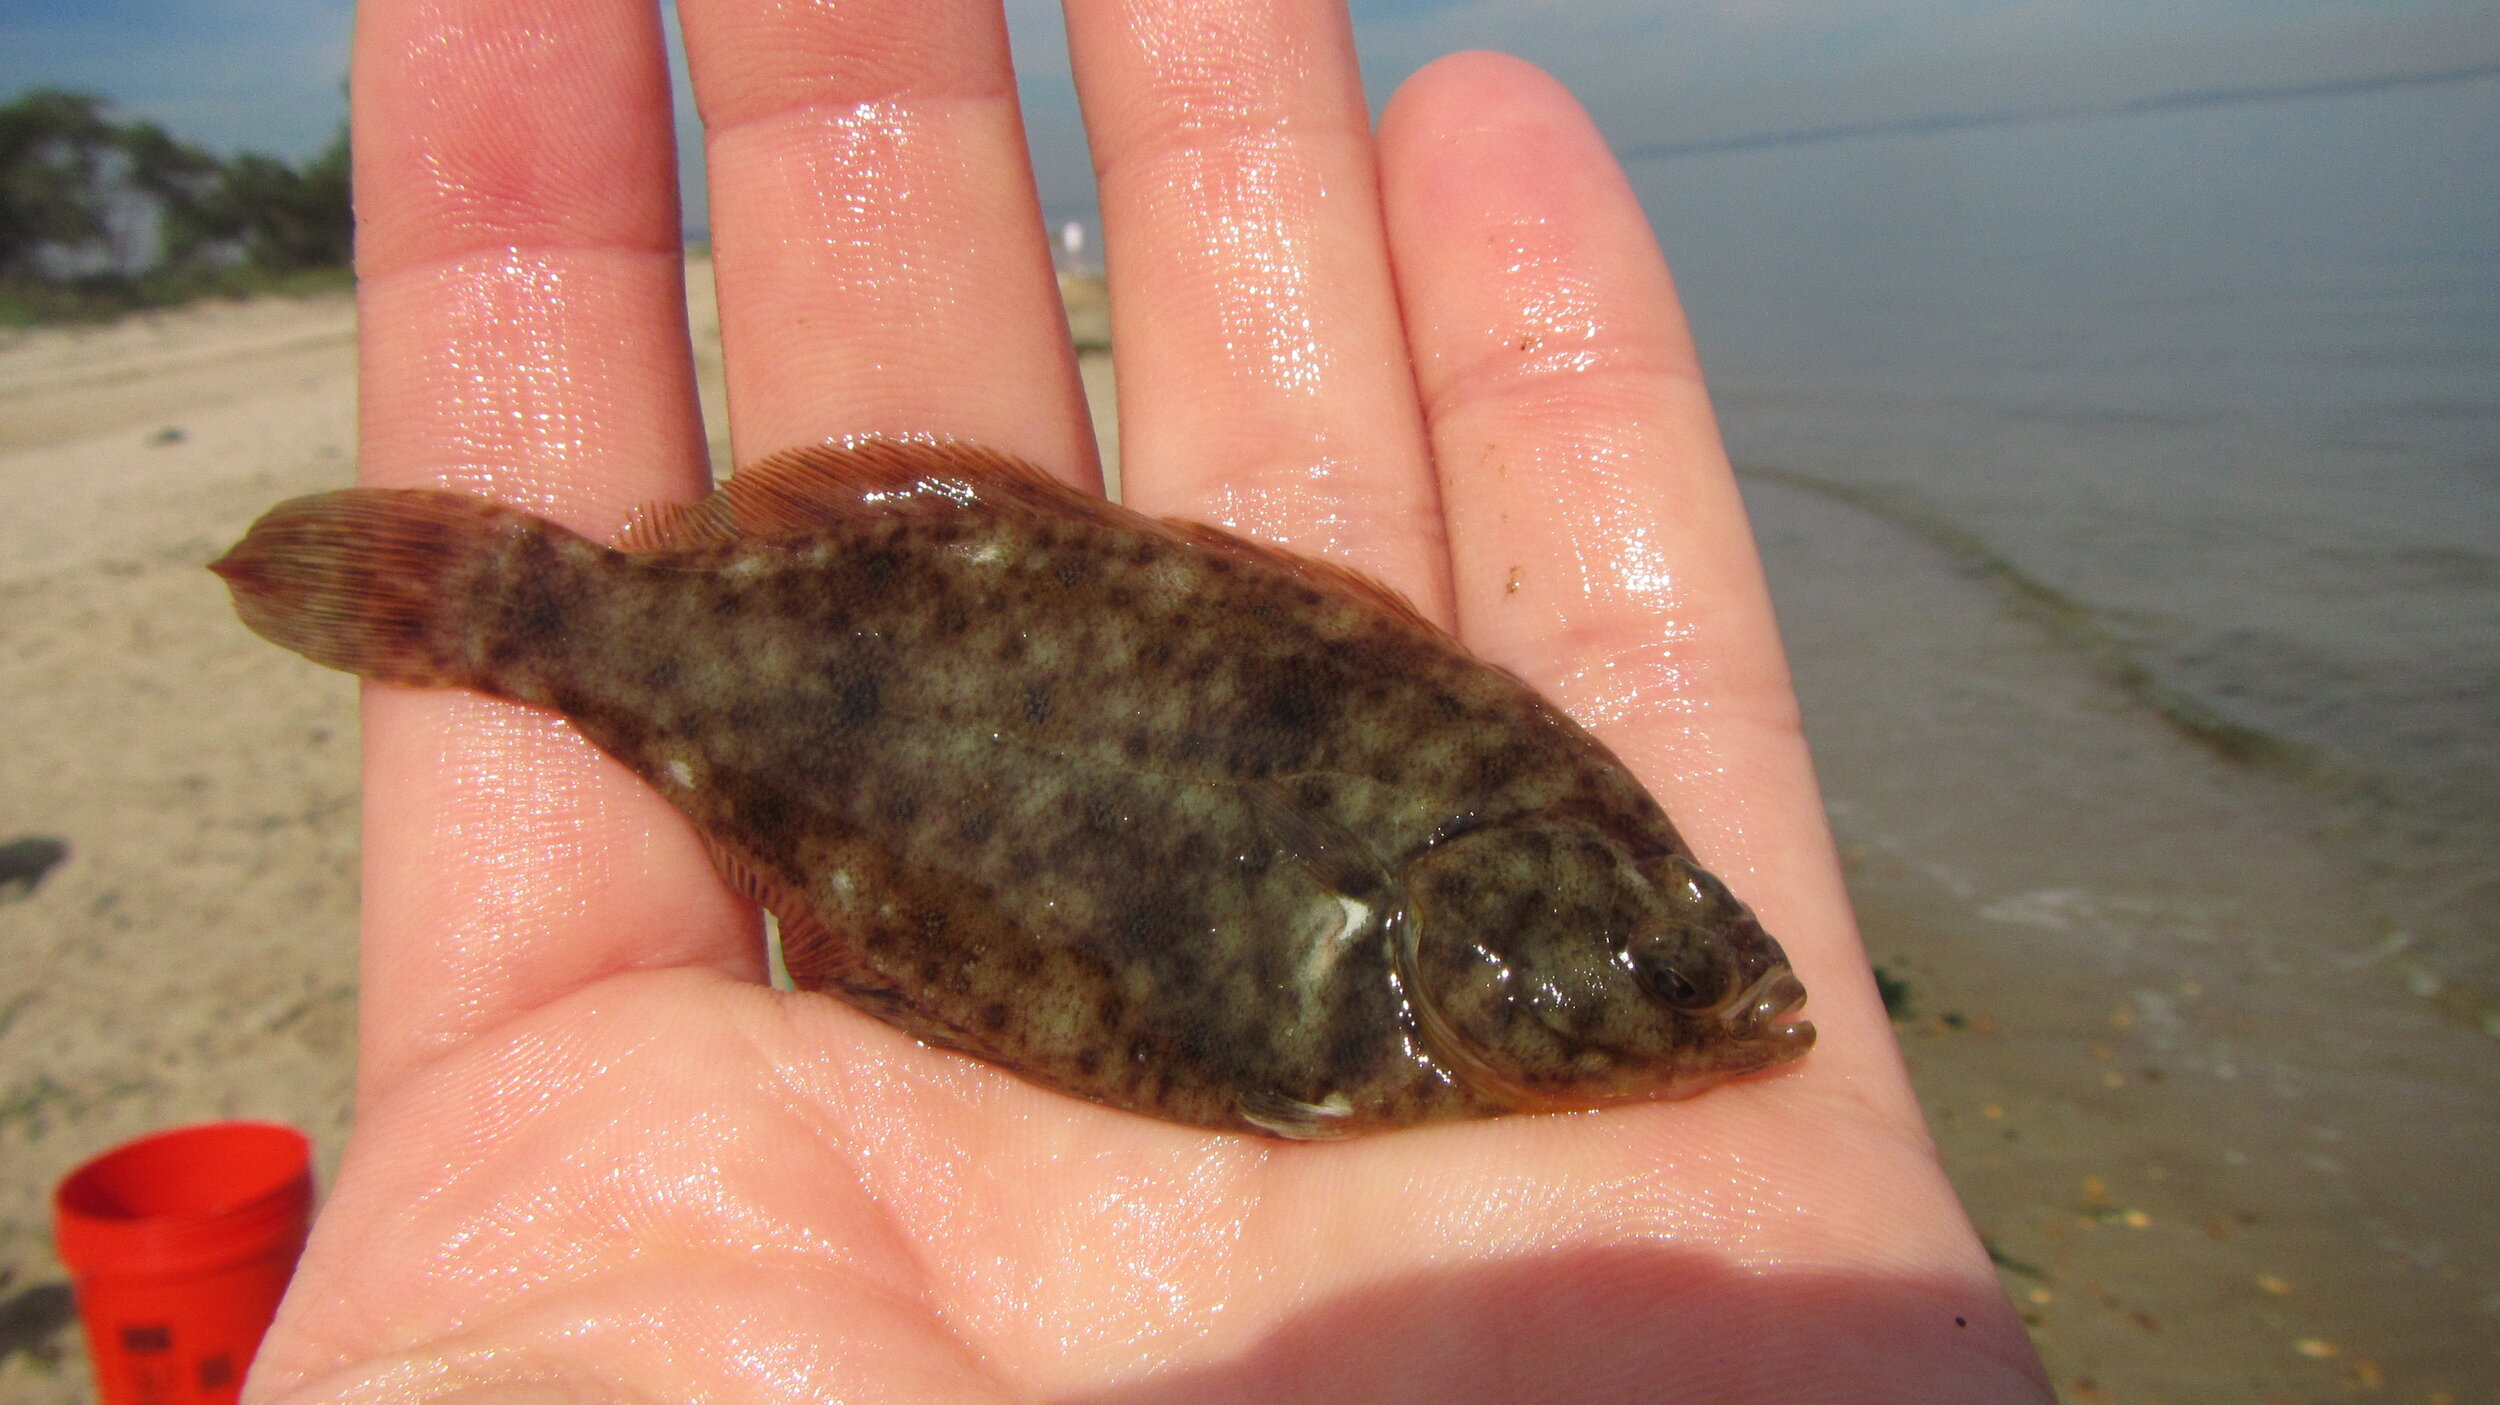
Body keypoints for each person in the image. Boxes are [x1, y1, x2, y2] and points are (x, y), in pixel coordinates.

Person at [242, 1, 2051, 1400]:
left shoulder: (1428, 972)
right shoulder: (1408, 987)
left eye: (1673, 956)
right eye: (1669, 958)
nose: (1716, 985)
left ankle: (537, 621)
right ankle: (517, 614)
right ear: (1508, 905)